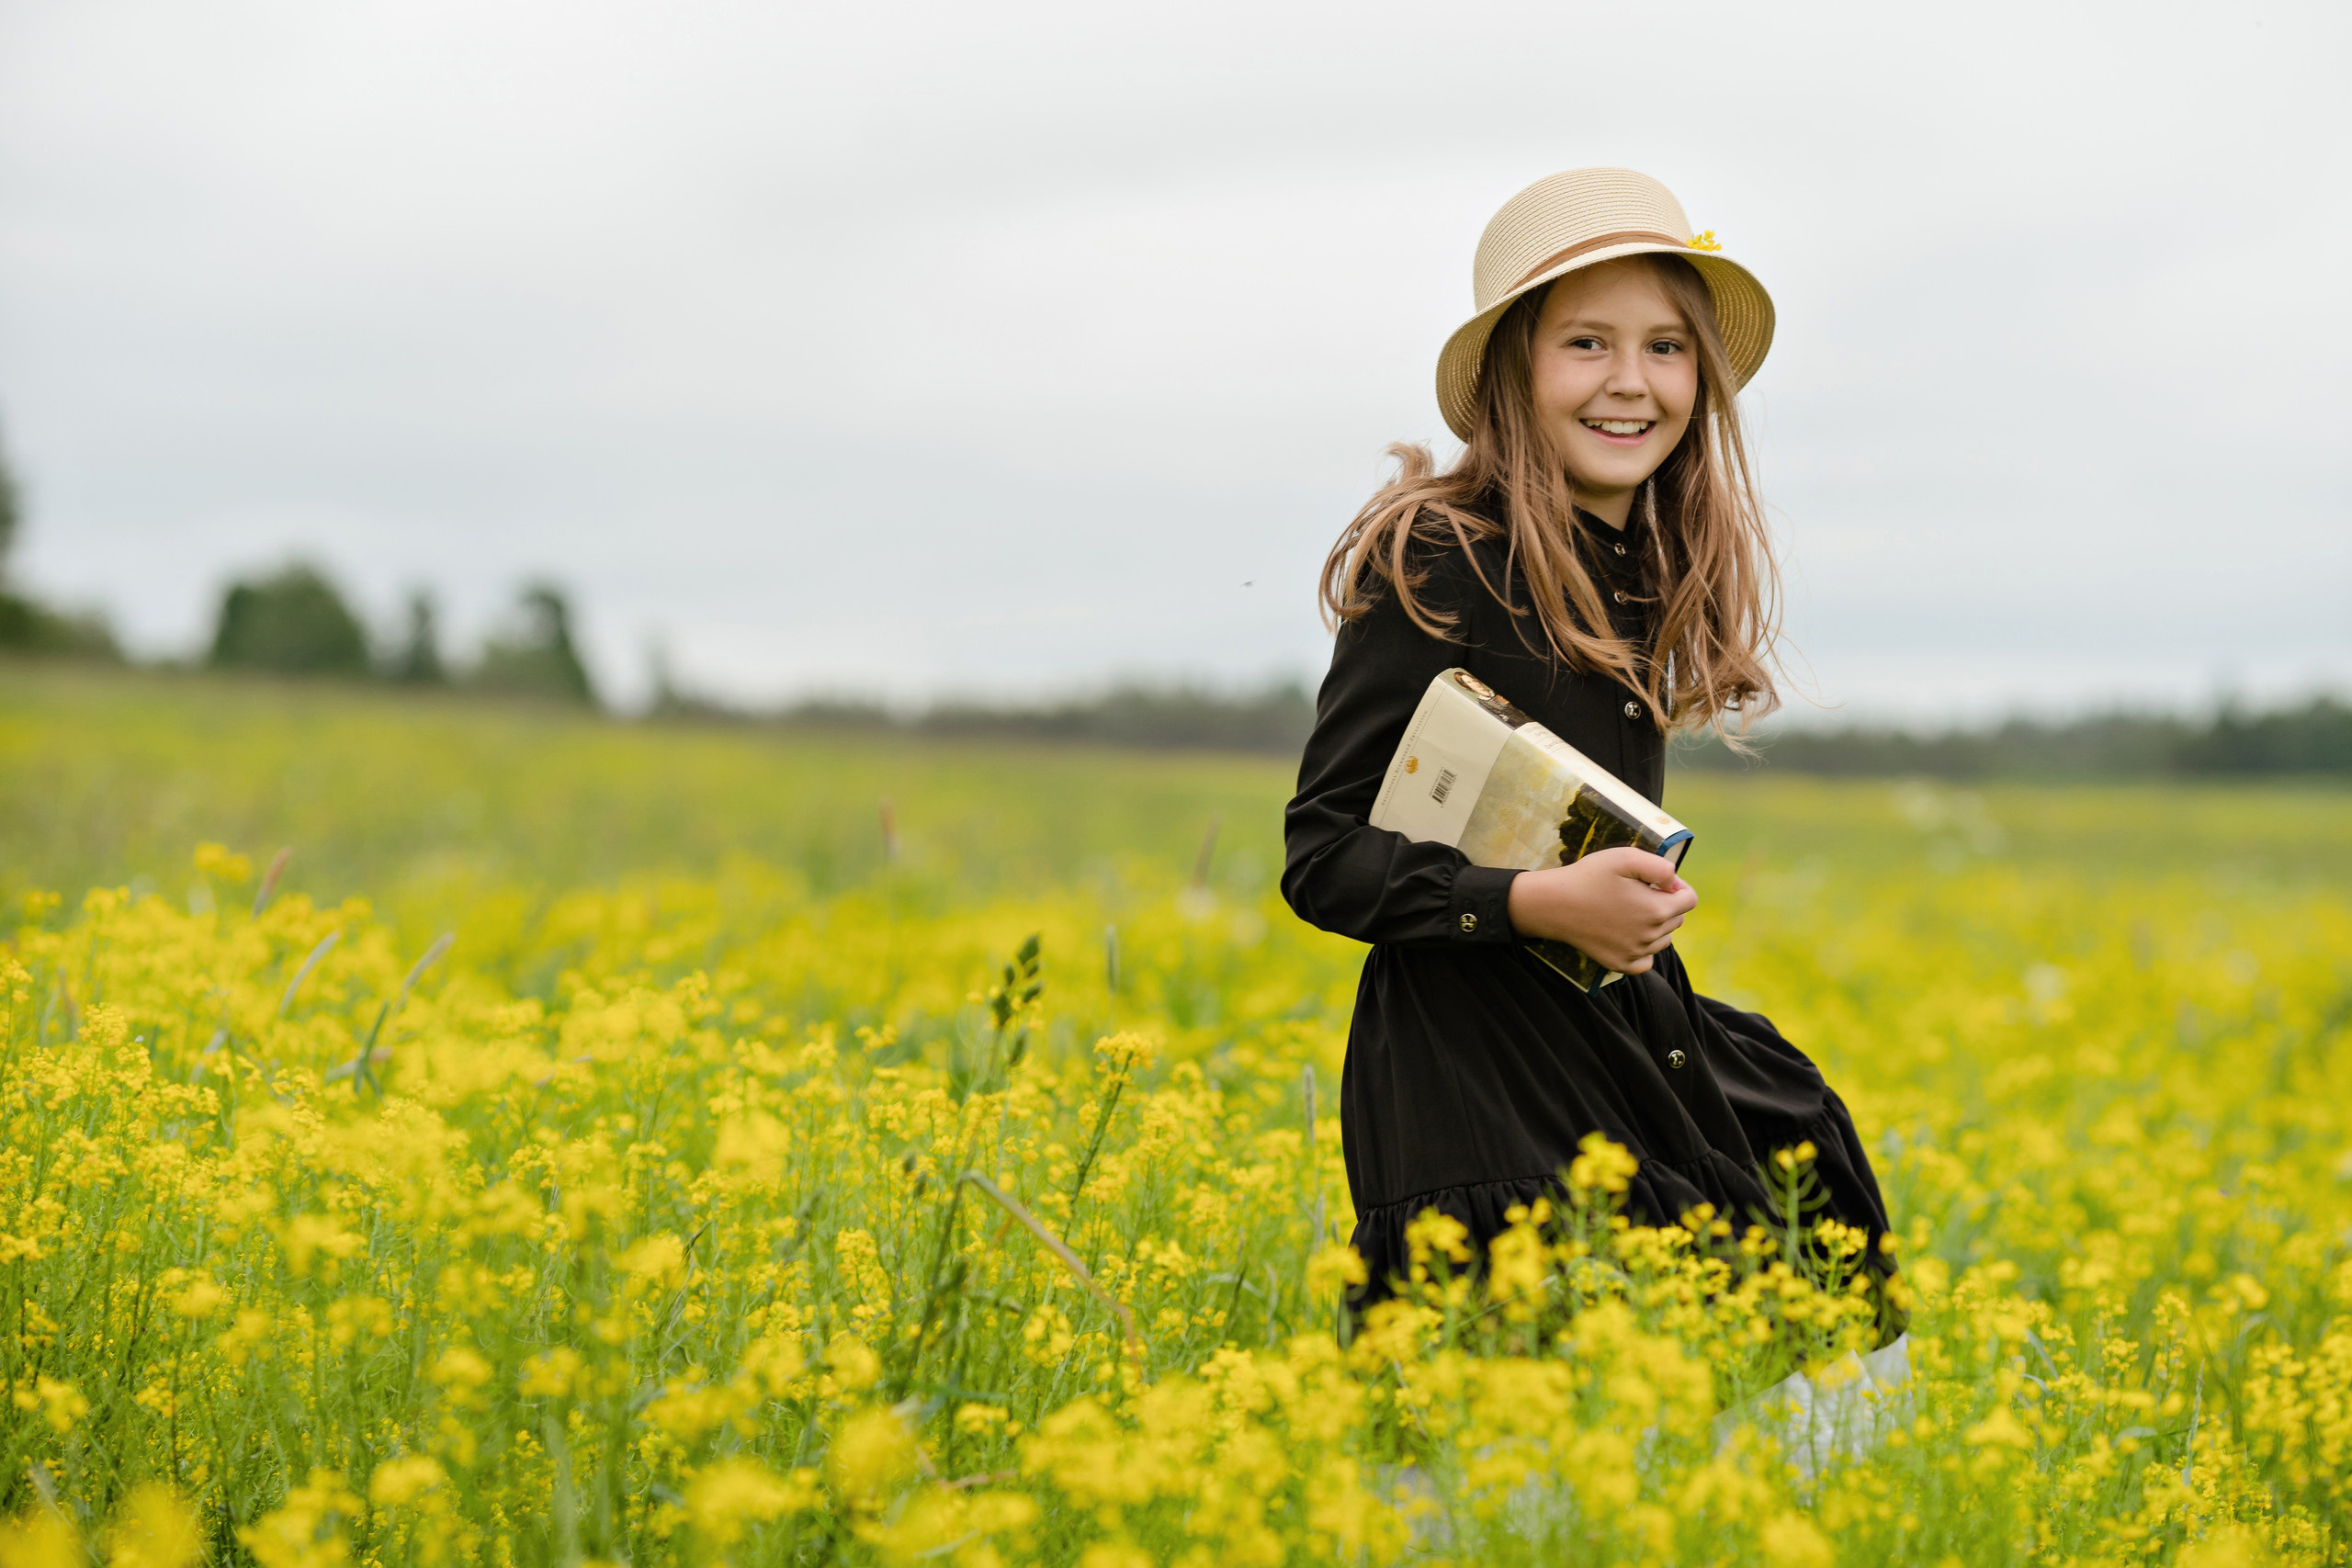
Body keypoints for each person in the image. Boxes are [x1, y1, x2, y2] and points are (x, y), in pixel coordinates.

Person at [1283, 167, 1897, 1322]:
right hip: (1480, 1077)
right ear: (1516, 370)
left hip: (1615, 1035)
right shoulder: (1441, 555)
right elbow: (1324, 855)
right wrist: (1541, 903)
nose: (1631, 383)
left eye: (1667, 348)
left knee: (1803, 1218)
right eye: (1587, 344)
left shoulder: (1633, 569)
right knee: (1511, 1454)